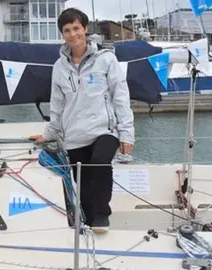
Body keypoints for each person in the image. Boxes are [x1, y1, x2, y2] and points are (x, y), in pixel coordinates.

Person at [30, 8, 135, 234]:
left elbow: (121, 96)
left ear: (85, 29)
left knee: (99, 162)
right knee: (83, 183)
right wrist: (48, 133)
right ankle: (88, 222)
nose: (72, 34)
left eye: (76, 28)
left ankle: (101, 215)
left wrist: (126, 133)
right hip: (74, 133)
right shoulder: (59, 67)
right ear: (62, 34)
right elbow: (57, 104)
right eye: (67, 30)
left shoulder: (106, 60)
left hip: (104, 130)